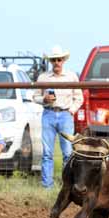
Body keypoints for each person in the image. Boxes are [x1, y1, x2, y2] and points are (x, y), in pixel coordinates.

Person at [33, 45, 83, 189]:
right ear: (51, 61)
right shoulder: (43, 77)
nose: (57, 62)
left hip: (65, 114)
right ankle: (47, 185)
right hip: (48, 113)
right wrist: (44, 100)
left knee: (67, 152)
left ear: (63, 60)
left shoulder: (72, 76)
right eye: (54, 60)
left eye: (59, 59)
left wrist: (71, 111)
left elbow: (78, 98)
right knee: (47, 152)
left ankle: (66, 185)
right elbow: (35, 96)